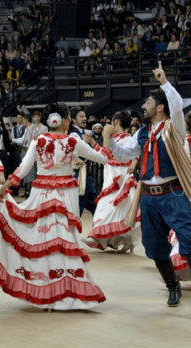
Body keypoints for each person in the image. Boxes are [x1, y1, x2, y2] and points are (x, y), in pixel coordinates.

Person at [0, 103, 110, 310]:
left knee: (42, 240)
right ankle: (67, 290)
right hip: (65, 195)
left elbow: (22, 170)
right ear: (62, 120)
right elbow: (104, 158)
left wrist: (4, 188)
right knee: (63, 241)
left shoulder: (39, 140)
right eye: (69, 117)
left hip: (41, 194)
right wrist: (104, 138)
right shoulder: (74, 141)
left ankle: (44, 288)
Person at [102, 61, 191, 307]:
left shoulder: (174, 127)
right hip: (149, 198)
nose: (143, 106)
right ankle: (173, 287)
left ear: (160, 107)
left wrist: (164, 82)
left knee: (189, 238)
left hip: (173, 193)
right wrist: (108, 139)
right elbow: (122, 155)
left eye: (148, 103)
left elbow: (176, 107)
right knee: (154, 245)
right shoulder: (141, 134)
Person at [82, 111, 141, 253]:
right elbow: (104, 154)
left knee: (115, 208)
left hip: (121, 178)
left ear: (116, 122)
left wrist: (134, 163)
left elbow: (135, 154)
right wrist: (92, 142)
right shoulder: (114, 138)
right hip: (111, 177)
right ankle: (118, 240)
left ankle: (97, 236)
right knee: (116, 209)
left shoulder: (128, 139)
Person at [69, 107, 99, 216]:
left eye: (85, 116)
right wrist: (85, 143)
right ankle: (71, 231)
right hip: (79, 176)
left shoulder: (80, 132)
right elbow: (77, 154)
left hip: (86, 176)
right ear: (73, 120)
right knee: (78, 209)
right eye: (81, 116)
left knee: (97, 207)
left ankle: (102, 231)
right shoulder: (73, 134)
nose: (85, 118)